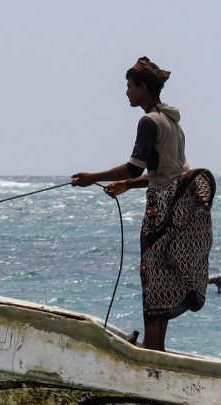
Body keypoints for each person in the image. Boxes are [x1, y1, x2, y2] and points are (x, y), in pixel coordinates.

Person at [72, 55, 213, 352]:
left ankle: (152, 350)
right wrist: (127, 186)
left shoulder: (148, 122)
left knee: (152, 275)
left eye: (130, 86)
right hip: (177, 208)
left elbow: (135, 167)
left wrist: (90, 177)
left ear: (144, 88)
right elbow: (169, 173)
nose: (126, 92)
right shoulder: (173, 123)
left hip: (159, 211)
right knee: (162, 276)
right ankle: (156, 347)